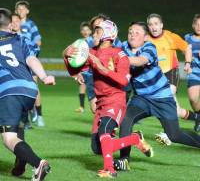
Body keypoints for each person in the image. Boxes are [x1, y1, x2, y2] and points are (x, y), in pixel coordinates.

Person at [63, 20, 153, 178]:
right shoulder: (91, 52)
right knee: (98, 148)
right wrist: (66, 55)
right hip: (101, 104)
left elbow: (124, 80)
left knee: (104, 130)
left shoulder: (119, 54)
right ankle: (134, 139)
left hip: (116, 100)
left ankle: (109, 169)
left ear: (107, 35)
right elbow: (74, 67)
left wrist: (103, 69)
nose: (93, 34)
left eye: (97, 31)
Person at [114, 21, 200, 170]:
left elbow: (141, 61)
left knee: (174, 135)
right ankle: (124, 160)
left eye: (137, 32)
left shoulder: (149, 47)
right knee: (126, 120)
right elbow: (108, 52)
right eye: (130, 32)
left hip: (162, 98)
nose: (132, 35)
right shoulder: (123, 47)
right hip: (142, 99)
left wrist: (120, 59)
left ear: (145, 37)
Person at [0, 8, 55, 180]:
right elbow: (31, 59)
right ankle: (19, 165)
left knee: (8, 138)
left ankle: (39, 164)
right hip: (29, 90)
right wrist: (44, 76)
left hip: (9, 91)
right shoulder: (20, 38)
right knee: (18, 129)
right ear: (10, 24)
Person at [147, 13, 198, 143]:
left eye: (156, 24)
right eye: (151, 24)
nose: (154, 27)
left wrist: (187, 64)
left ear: (161, 25)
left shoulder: (170, 37)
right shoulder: (145, 39)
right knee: (176, 110)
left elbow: (187, 48)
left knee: (167, 95)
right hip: (156, 77)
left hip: (171, 73)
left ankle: (168, 133)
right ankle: (197, 117)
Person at [15, 0, 44, 127]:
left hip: (29, 59)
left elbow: (38, 42)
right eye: (19, 9)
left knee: (34, 87)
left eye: (23, 9)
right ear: (16, 11)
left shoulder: (31, 25)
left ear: (27, 11)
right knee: (20, 88)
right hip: (17, 62)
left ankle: (39, 114)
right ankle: (25, 119)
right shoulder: (12, 25)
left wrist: (30, 51)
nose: (21, 11)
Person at [184, 14, 200, 131]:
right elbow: (185, 52)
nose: (199, 27)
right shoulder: (187, 38)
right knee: (193, 99)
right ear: (193, 25)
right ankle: (198, 116)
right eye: (197, 24)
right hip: (194, 72)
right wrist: (187, 62)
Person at [74, 21, 92, 113]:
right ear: (81, 32)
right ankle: (81, 107)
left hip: (92, 69)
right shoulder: (79, 42)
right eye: (83, 30)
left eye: (87, 30)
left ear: (91, 31)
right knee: (81, 85)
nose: (85, 32)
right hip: (83, 69)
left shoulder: (94, 41)